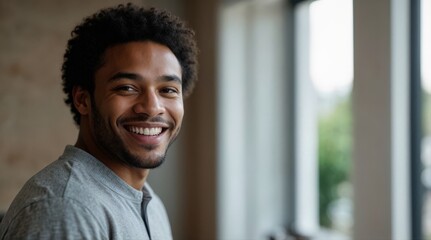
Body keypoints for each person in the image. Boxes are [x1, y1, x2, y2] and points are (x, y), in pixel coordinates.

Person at [0, 3, 198, 239]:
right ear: (83, 100)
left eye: (168, 90)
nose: (152, 107)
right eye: (127, 88)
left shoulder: (150, 202)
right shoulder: (66, 209)